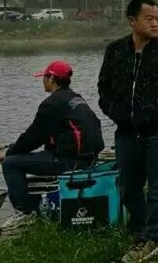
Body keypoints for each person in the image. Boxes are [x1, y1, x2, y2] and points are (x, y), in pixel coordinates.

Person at [98, 0, 158, 263]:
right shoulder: (115, 51)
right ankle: (141, 227)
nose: (155, 23)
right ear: (131, 20)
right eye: (149, 18)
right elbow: (104, 88)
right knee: (127, 187)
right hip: (126, 133)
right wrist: (115, 111)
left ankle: (152, 238)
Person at [1, 61, 104, 231]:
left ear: (51, 79)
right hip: (89, 159)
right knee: (30, 156)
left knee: (11, 164)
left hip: (70, 162)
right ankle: (41, 208)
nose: (43, 81)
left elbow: (32, 138)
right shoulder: (75, 98)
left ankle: (26, 214)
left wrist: (8, 152)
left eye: (44, 77)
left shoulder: (52, 104)